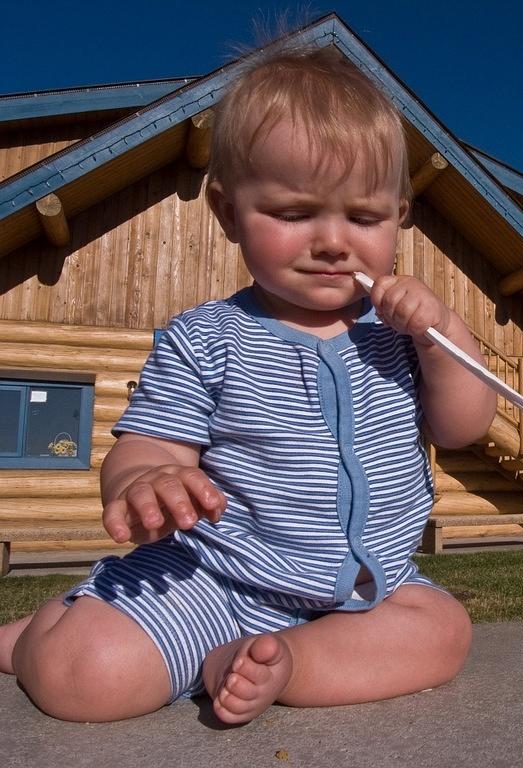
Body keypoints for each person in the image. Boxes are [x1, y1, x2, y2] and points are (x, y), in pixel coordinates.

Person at [0, 44, 496, 725]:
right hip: (212, 581)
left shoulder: (402, 334)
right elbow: (148, 450)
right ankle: (39, 633)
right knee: (84, 679)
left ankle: (283, 661)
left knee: (443, 631)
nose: (333, 241)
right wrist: (144, 481)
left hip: (364, 595)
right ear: (230, 214)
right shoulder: (207, 338)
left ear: (400, 216)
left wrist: (442, 333)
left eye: (363, 218)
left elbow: (464, 426)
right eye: (294, 215)